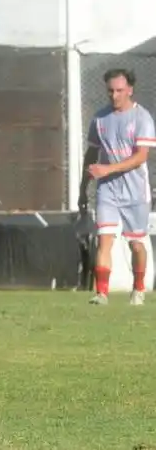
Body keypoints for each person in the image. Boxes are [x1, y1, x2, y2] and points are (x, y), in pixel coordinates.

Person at [79, 68, 155, 306]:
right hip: (107, 190)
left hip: (135, 192)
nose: (114, 95)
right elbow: (91, 154)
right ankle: (101, 293)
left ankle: (139, 288)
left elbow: (141, 156)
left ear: (129, 90)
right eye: (110, 91)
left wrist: (108, 169)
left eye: (119, 91)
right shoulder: (100, 119)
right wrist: (84, 187)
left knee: (136, 244)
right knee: (105, 240)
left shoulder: (142, 118)